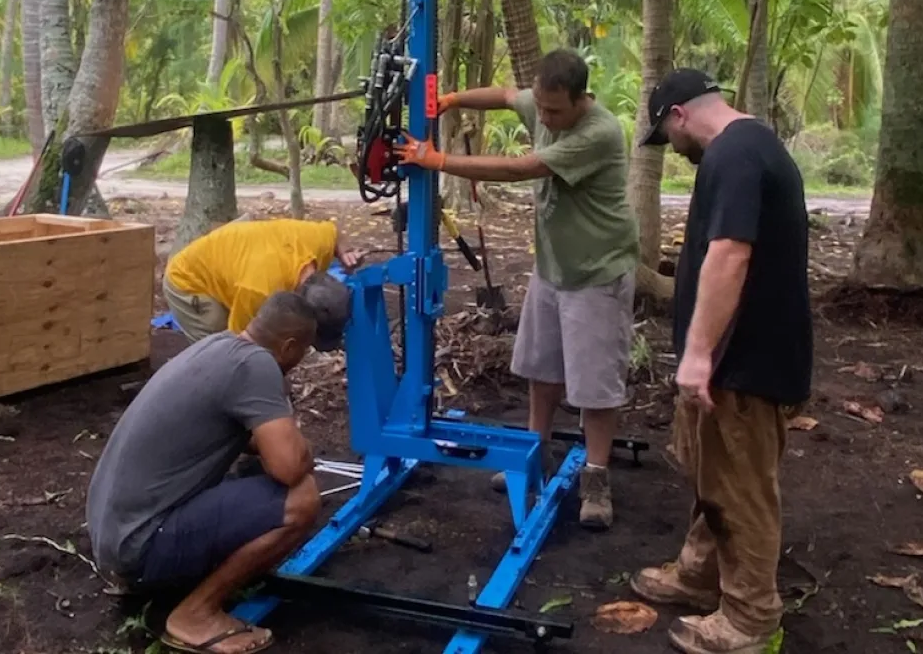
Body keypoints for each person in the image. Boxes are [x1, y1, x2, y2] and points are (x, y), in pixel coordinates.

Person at [394, 48, 639, 530]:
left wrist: (437, 160)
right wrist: (451, 98)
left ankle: (596, 478)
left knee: (594, 386)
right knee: (541, 369)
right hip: (553, 267)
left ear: (581, 99)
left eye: (554, 110)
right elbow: (507, 96)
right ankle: (534, 453)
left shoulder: (598, 132)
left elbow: (520, 169)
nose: (544, 116)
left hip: (597, 271)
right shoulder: (541, 103)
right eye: (541, 107)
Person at [629, 69, 812, 654]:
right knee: (716, 473)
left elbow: (730, 254)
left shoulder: (732, 156)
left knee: (741, 487)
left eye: (665, 134)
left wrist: (700, 355)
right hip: (742, 354)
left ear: (678, 114)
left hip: (745, 359)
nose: (671, 149)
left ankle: (750, 618)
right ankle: (699, 573)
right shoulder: (752, 145)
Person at [86, 291, 324, 654]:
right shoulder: (255, 366)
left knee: (256, 472)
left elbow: (240, 439)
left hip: (114, 533)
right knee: (302, 499)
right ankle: (195, 615)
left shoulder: (217, 345)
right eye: (304, 351)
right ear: (290, 345)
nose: (301, 359)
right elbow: (289, 467)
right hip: (139, 545)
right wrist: (299, 449)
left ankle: (183, 579)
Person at [164, 217, 360, 347]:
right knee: (218, 349)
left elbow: (335, 233)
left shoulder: (318, 242)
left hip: (233, 265)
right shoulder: (260, 292)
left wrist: (346, 250)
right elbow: (239, 345)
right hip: (188, 279)